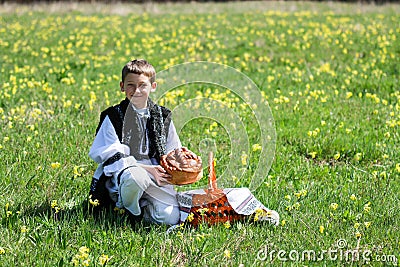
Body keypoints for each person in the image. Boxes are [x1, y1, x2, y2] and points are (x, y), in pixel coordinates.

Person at [88, 59, 181, 225]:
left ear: (153, 86)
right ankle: (130, 211)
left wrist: (180, 161)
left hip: (156, 178)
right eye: (131, 85)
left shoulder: (163, 115)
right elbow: (111, 156)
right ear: (122, 86)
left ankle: (142, 209)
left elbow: (172, 149)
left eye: (143, 85)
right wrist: (148, 170)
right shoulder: (113, 116)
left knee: (170, 217)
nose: (137, 90)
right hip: (124, 176)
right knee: (136, 177)